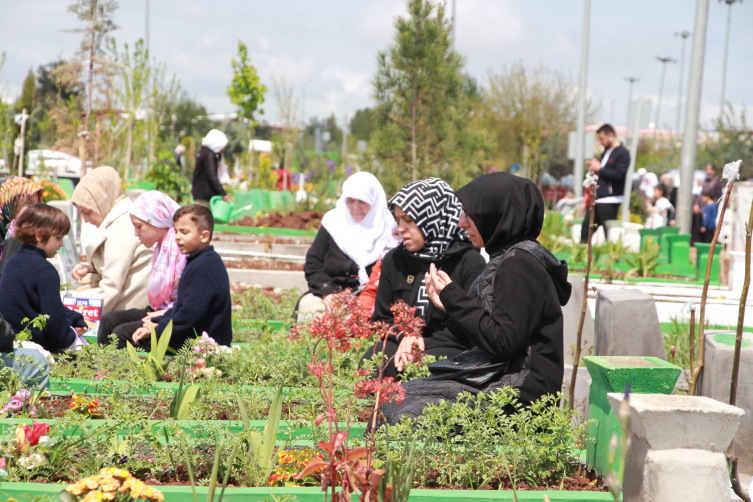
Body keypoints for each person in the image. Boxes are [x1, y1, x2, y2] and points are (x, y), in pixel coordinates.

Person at [381, 172, 572, 425]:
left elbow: (503, 341)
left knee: (402, 415)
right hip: (497, 376)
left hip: (520, 393)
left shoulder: (520, 265)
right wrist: (449, 306)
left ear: (493, 213)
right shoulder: (509, 258)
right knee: (396, 398)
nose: (462, 223)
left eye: (469, 215)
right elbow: (492, 330)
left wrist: (453, 297)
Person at [361, 178, 486, 379]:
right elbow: (382, 319)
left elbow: (472, 325)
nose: (401, 228)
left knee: (422, 373)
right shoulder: (395, 259)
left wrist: (421, 343)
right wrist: (406, 336)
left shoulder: (469, 262)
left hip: (450, 346)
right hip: (400, 341)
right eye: (398, 219)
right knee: (374, 364)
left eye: (409, 220)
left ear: (433, 218)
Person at [132, 204, 231, 351]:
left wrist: (156, 331)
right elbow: (181, 307)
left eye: (184, 232)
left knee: (124, 335)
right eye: (176, 231)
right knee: (117, 323)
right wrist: (157, 321)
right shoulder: (198, 261)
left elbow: (187, 318)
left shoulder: (204, 268)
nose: (177, 237)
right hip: (191, 338)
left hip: (202, 348)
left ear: (204, 236)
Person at [298, 172, 393, 322]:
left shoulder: (390, 229)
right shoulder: (333, 223)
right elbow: (313, 263)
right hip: (330, 293)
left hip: (371, 296)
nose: (355, 207)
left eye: (362, 201)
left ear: (374, 201)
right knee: (309, 307)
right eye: (350, 200)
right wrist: (328, 293)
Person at [97, 191, 186, 347]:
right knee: (108, 320)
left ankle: (120, 370)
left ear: (158, 221)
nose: (136, 233)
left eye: (139, 227)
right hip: (161, 309)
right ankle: (102, 370)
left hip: (175, 315)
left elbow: (186, 301)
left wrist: (163, 315)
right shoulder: (162, 247)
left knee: (122, 333)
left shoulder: (180, 250)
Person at [0, 203, 89, 353]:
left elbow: (37, 306)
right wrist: (72, 334)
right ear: (40, 235)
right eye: (58, 238)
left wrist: (73, 317)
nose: (61, 244)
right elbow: (54, 325)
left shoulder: (12, 262)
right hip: (37, 348)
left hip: (9, 342)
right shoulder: (45, 270)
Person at [71, 167, 151, 313]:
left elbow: (110, 291)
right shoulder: (121, 218)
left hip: (126, 310)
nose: (86, 220)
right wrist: (93, 268)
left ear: (101, 201)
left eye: (87, 212)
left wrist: (67, 307)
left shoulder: (122, 225)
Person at [580, 124, 630, 243]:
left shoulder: (623, 153)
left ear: (611, 135)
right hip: (598, 197)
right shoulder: (607, 151)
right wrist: (594, 167)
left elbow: (619, 175)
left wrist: (600, 168)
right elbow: (603, 171)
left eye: (602, 139)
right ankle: (582, 254)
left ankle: (612, 256)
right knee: (586, 229)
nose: (601, 142)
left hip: (610, 199)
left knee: (609, 232)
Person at [0, 177, 44, 277]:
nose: (34, 209)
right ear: (12, 200)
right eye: (29, 202)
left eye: (37, 203)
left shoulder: (26, 229)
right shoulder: (9, 229)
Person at [192, 129, 230, 207]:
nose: (223, 149)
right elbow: (212, 175)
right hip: (204, 195)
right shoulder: (209, 155)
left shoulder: (203, 152)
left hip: (200, 193)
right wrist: (222, 193)